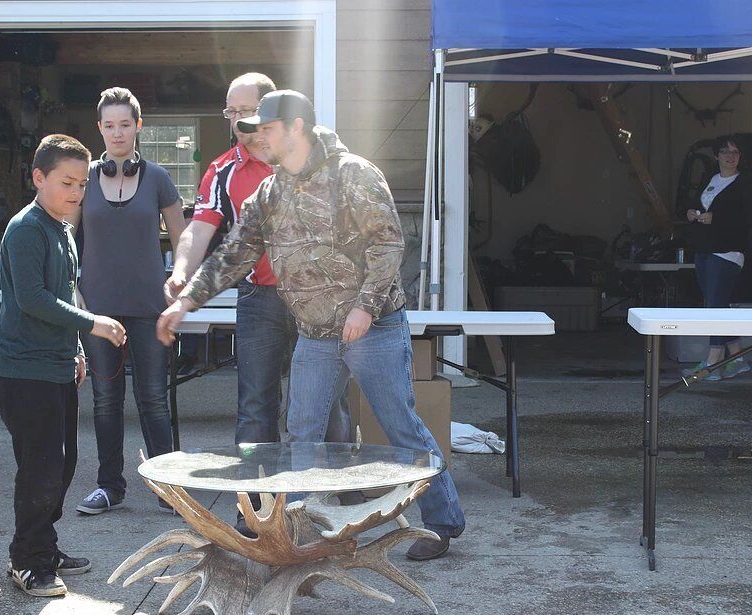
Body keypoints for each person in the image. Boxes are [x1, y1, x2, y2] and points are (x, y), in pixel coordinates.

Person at [157, 90, 465, 561]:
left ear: (296, 127)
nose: (258, 136)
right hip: (315, 334)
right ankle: (298, 531)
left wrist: (365, 306)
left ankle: (442, 524)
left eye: (267, 128)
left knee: (399, 426)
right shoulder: (271, 191)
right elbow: (236, 252)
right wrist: (188, 301)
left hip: (374, 328)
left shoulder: (354, 175)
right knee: (302, 430)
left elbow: (387, 243)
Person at [166, 73, 350, 533]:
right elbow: (200, 228)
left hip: (317, 296)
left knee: (326, 402)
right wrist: (182, 269)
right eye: (229, 112)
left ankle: (335, 499)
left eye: (243, 112)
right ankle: (254, 509)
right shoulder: (223, 168)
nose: (236, 121)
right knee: (255, 404)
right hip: (259, 298)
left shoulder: (306, 156)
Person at [0, 134, 128, 597]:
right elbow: (33, 299)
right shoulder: (26, 228)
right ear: (38, 178)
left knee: (63, 464)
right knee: (40, 468)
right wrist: (93, 324)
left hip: (56, 368)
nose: (76, 192)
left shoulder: (62, 229)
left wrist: (76, 351)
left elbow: (66, 293)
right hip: (23, 371)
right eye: (66, 182)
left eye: (82, 184)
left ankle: (44, 546)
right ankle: (26, 560)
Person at [72, 87, 187, 515]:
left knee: (154, 398)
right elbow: (65, 237)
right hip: (98, 309)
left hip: (149, 308)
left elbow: (183, 239)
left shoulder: (157, 177)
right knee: (105, 400)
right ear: (99, 129)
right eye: (108, 125)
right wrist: (74, 290)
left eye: (125, 124)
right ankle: (109, 486)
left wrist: (179, 281)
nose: (117, 133)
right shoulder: (83, 178)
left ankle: (168, 487)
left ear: (138, 127)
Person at [683, 135, 752, 381]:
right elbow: (699, 203)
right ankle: (736, 359)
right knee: (717, 304)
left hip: (727, 252)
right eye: (725, 152)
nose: (730, 156)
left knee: (715, 308)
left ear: (740, 157)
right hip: (704, 249)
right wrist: (691, 212)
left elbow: (751, 217)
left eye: (735, 152)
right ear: (716, 156)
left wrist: (717, 219)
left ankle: (712, 363)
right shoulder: (711, 179)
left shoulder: (746, 182)